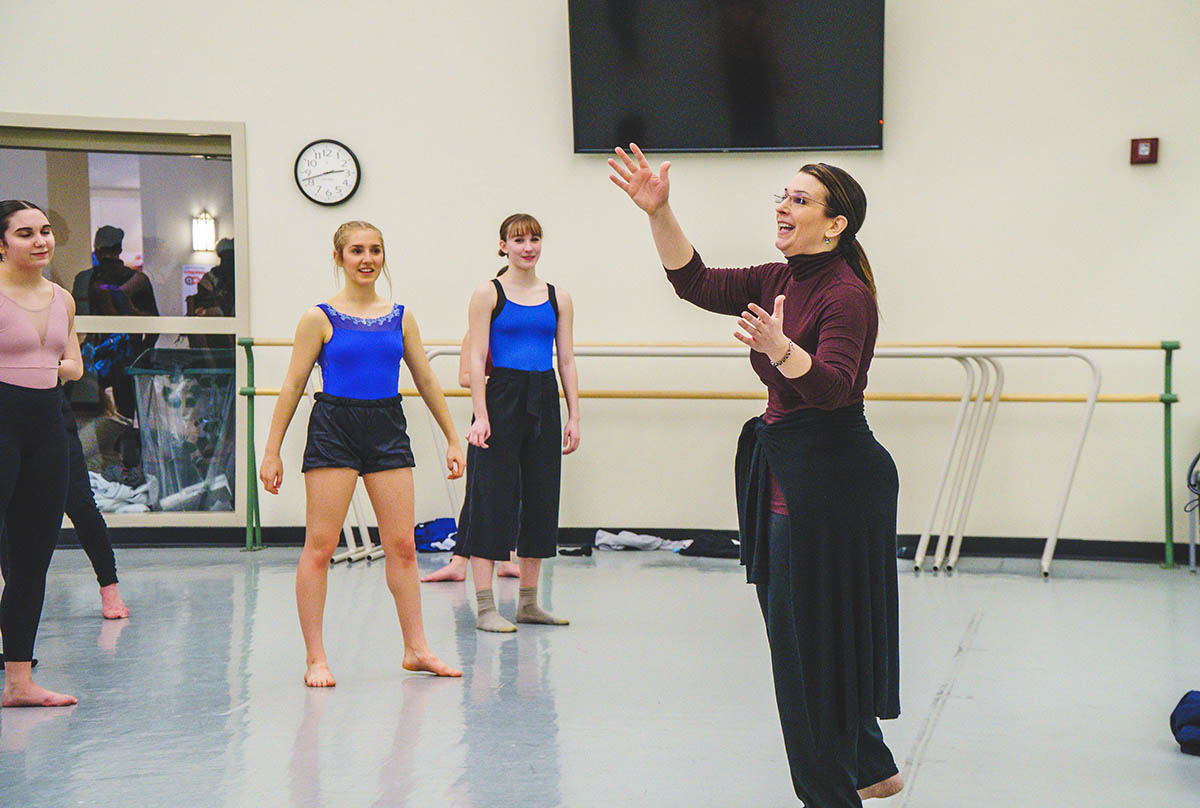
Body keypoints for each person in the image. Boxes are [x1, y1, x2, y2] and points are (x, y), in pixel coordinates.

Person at [609, 144, 903, 806]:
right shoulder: (779, 277)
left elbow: (831, 386)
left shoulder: (846, 295)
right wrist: (659, 211)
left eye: (801, 200)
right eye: (783, 195)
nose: (783, 206)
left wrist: (781, 349)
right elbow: (696, 281)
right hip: (784, 473)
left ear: (836, 225)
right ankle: (869, 763)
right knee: (806, 643)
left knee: (804, 664)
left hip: (831, 486)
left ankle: (833, 793)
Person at [258, 220, 464, 686]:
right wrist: (271, 452)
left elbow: (426, 379)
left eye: (375, 250)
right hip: (335, 427)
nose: (367, 259)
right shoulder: (319, 317)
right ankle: (316, 657)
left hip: (386, 426)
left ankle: (416, 648)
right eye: (356, 251)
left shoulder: (400, 316)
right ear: (339, 258)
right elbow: (292, 386)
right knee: (321, 546)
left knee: (403, 546)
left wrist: (453, 436)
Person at [459, 214, 580, 632]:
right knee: (489, 498)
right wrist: (481, 415)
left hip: (543, 396)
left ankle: (528, 602)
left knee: (541, 497)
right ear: (503, 246)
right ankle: (486, 605)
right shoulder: (487, 293)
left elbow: (565, 358)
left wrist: (574, 416)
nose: (527, 247)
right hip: (502, 395)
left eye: (534, 239)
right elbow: (476, 359)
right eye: (518, 240)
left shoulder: (558, 296)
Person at [0, 200, 84, 707]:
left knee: (32, 560)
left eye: (46, 232)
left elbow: (72, 357)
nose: (41, 241)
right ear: (1, 244)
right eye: (26, 233)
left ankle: (19, 682)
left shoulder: (63, 298)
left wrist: (65, 368)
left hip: (47, 424)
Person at [419, 328, 520, 583]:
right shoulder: (478, 330)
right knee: (479, 489)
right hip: (490, 413)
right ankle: (459, 561)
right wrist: (503, 383)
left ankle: (508, 556)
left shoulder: (521, 330)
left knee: (516, 484)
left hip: (520, 413)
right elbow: (465, 377)